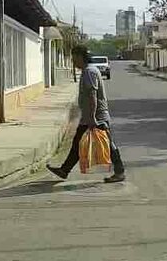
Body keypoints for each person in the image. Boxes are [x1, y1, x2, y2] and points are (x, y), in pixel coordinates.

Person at [47, 45, 126, 183]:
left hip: (96, 117)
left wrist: (93, 118)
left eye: (74, 59)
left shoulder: (89, 72)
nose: (73, 62)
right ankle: (64, 170)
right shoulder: (87, 71)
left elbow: (92, 95)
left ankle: (119, 172)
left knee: (107, 144)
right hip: (89, 117)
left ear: (80, 57)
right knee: (77, 143)